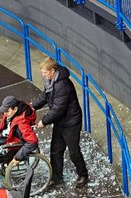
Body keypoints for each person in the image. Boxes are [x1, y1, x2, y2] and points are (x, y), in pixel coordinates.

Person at [32, 57, 89, 188]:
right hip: (60, 121)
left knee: (73, 151)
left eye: (45, 73)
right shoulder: (50, 81)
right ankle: (57, 178)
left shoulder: (62, 85)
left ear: (52, 71)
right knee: (56, 150)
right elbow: (44, 97)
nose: (43, 75)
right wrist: (31, 108)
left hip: (71, 122)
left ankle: (83, 174)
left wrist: (44, 121)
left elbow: (58, 109)